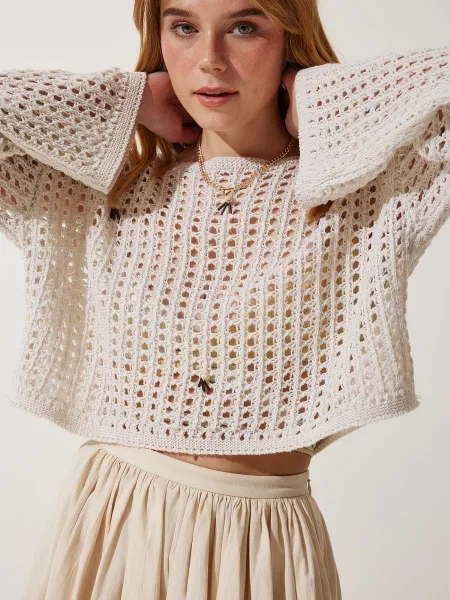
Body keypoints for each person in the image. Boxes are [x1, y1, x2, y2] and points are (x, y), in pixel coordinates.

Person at [0, 0, 449, 598]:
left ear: (289, 39)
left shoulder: (366, 194)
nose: (210, 60)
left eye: (243, 27)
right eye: (184, 27)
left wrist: (328, 103)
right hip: (116, 522)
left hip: (261, 543)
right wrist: (124, 102)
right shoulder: (101, 194)